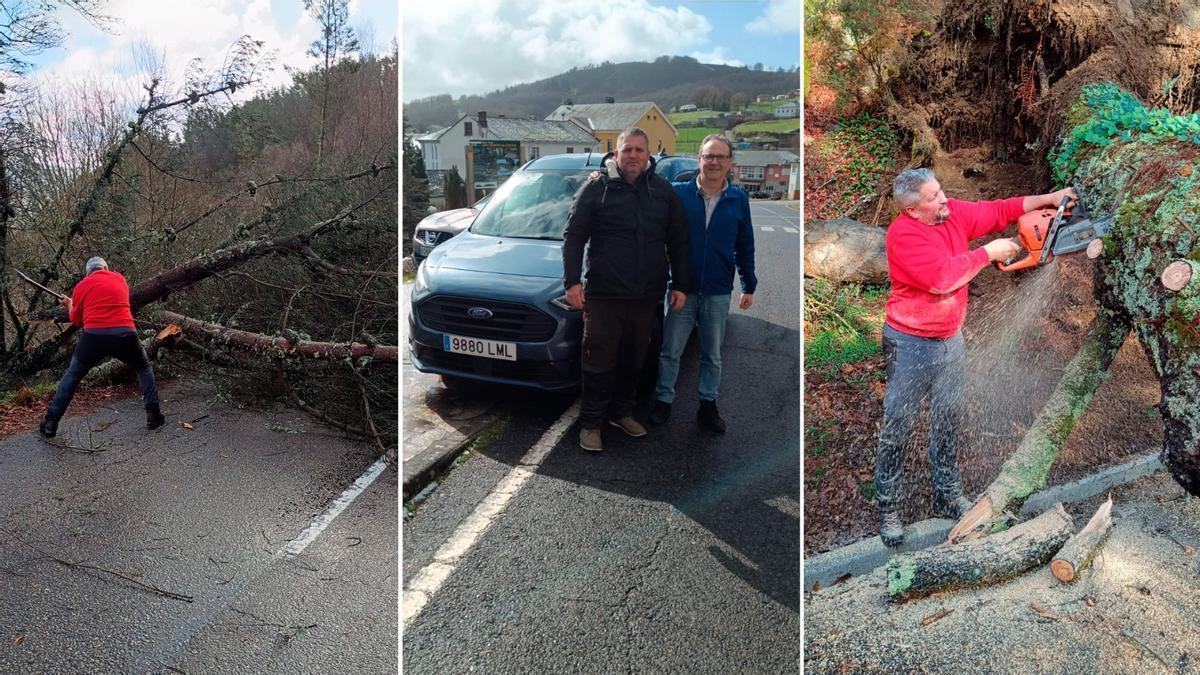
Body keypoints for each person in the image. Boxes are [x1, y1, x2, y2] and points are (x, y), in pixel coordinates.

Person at [875, 168, 1076, 546]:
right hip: (910, 342)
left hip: (951, 340)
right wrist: (986, 253)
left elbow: (1000, 210)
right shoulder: (904, 235)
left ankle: (948, 495)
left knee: (947, 418)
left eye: (941, 190)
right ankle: (888, 505)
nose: (943, 199)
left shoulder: (951, 214)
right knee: (898, 424)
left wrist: (1048, 199)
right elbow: (941, 278)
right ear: (913, 210)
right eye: (933, 197)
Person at [562, 127, 689, 452]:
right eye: (627, 149)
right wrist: (572, 282)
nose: (632, 155)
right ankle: (591, 423)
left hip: (646, 297)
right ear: (616, 154)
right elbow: (574, 235)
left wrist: (681, 284)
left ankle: (621, 413)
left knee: (634, 360)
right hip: (604, 296)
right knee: (598, 361)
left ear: (649, 155)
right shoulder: (597, 188)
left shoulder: (662, 191)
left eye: (638, 149)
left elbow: (678, 240)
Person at [648, 135, 756, 433]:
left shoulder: (738, 200)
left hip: (718, 290)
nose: (714, 162)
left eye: (720, 157)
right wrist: (605, 173)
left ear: (730, 163)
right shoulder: (678, 194)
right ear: (700, 159)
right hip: (682, 289)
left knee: (712, 355)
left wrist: (749, 284)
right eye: (709, 156)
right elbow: (645, 191)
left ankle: (707, 406)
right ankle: (663, 401)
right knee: (671, 351)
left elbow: (745, 245)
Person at [39, 257, 165, 438]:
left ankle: (50, 423)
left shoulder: (82, 286)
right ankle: (153, 415)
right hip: (125, 334)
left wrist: (70, 304)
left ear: (88, 272)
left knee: (72, 375)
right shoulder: (120, 279)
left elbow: (76, 320)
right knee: (143, 367)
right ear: (105, 268)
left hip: (94, 337)